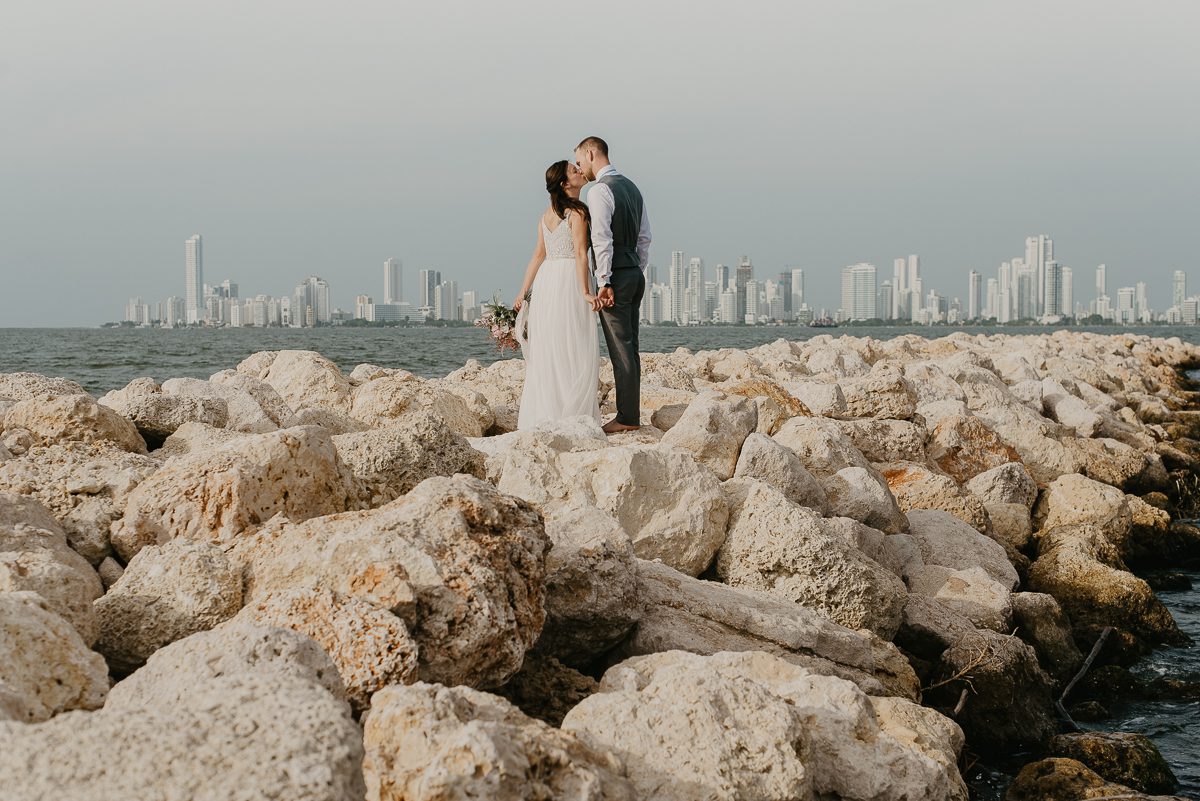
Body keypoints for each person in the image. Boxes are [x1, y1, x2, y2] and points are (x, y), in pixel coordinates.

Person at [513, 160, 602, 430]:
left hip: (547, 281)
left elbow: (538, 256)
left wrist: (523, 290)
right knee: (574, 342)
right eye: (574, 172)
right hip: (568, 280)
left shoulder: (545, 215)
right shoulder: (578, 211)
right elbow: (579, 253)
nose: (579, 172)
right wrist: (586, 291)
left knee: (552, 343)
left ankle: (550, 409)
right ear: (565, 184)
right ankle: (571, 411)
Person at [574, 136, 651, 433]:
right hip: (634, 272)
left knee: (620, 349)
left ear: (591, 154)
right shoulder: (634, 188)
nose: (581, 169)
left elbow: (601, 239)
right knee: (631, 348)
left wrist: (604, 280)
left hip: (615, 275)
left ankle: (627, 418)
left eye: (580, 161)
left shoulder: (599, 191)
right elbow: (645, 238)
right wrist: (636, 267)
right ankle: (630, 412)